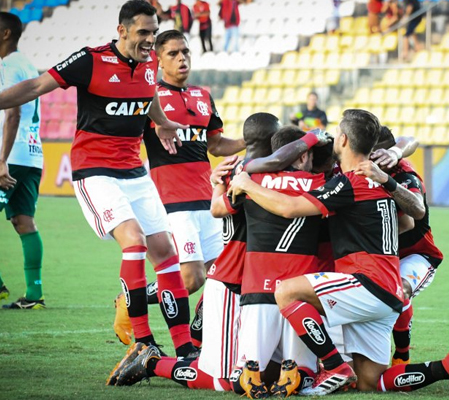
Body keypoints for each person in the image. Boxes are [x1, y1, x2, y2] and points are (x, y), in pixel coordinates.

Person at [227, 109, 449, 396]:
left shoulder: (349, 182)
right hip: (389, 292)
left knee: (286, 292)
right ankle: (445, 366)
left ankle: (333, 365)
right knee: (370, 381)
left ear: (342, 139)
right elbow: (408, 216)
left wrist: (247, 185)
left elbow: (289, 208)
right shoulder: (379, 176)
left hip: (368, 281)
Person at [0, 0, 200, 365]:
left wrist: (161, 121)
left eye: (153, 32)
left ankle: (186, 349)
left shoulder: (151, 63)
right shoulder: (89, 60)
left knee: (167, 253)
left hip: (134, 172)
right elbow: (34, 87)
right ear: (122, 30)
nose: (149, 39)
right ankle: (142, 341)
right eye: (143, 32)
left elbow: (149, 95)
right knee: (134, 241)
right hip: (94, 171)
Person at [107, 118, 331, 390]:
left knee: (265, 370)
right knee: (226, 380)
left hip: (249, 280)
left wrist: (216, 183)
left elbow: (217, 207)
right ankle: (153, 362)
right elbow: (221, 209)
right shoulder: (251, 178)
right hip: (231, 283)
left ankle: (193, 349)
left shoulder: (238, 173)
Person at [112, 29, 246, 348]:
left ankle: (198, 342)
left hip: (208, 201)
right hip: (171, 202)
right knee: (192, 278)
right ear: (158, 60)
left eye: (185, 52)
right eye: (173, 53)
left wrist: (250, 142)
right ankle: (130, 300)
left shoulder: (202, 95)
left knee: (225, 276)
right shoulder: (149, 98)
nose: (182, 58)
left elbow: (215, 144)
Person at [366, 127, 443, 366]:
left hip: (415, 254)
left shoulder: (405, 175)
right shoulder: (356, 167)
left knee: (400, 289)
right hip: (380, 253)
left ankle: (402, 354)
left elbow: (408, 221)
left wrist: (395, 155)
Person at [0, 12, 45, 309]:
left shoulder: (7, 65)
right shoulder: (28, 64)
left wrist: (1, 161)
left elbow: (12, 112)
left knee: (23, 221)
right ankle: (33, 294)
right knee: (23, 221)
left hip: (11, 155)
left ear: (5, 34)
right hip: (32, 155)